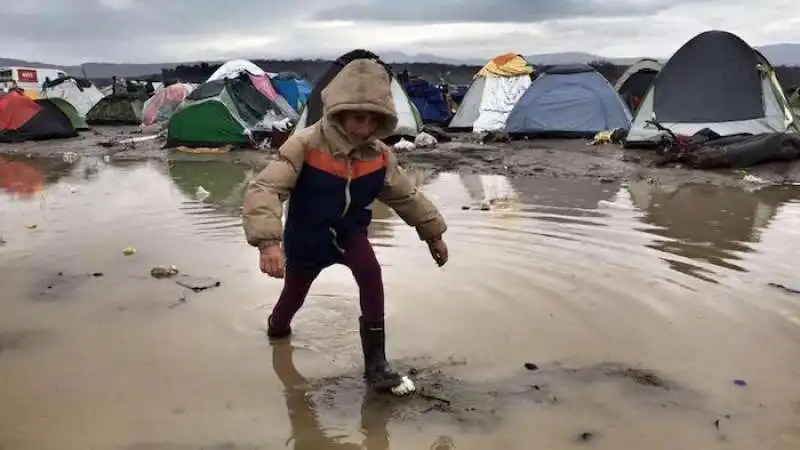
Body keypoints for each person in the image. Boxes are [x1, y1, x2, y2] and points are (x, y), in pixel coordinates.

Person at [242, 58, 449, 394]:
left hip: (351, 233)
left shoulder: (380, 155)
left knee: (371, 275)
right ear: (338, 111)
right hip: (307, 236)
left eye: (373, 120)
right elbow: (265, 188)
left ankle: (377, 365)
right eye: (357, 117)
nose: (364, 128)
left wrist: (433, 234)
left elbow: (406, 195)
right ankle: (276, 330)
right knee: (292, 298)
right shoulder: (305, 145)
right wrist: (269, 243)